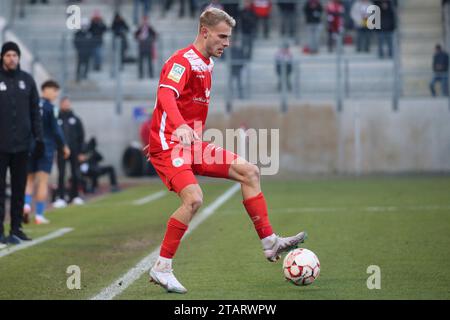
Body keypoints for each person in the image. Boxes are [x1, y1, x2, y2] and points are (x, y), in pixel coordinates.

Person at [146, 8, 306, 294]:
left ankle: (269, 242)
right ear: (204, 32)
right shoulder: (182, 61)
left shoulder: (207, 63)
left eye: (229, 37)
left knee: (250, 172)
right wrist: (177, 128)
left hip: (189, 144)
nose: (227, 42)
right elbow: (166, 94)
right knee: (194, 199)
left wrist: (184, 131)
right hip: (171, 144)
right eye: (222, 36)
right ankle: (162, 267)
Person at [0, 42, 44, 244]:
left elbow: (35, 112)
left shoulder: (27, 81)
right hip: (1, 145)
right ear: (2, 57)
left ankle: (16, 229)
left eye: (15, 55)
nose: (12, 58)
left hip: (22, 146)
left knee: (19, 189)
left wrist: (39, 137)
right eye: (8, 55)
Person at [24, 81, 70, 225]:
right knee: (43, 181)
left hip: (29, 146)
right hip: (46, 147)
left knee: (29, 180)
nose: (56, 94)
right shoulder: (51, 108)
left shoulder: (30, 105)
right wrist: (63, 146)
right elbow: (56, 129)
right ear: (46, 90)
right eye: (54, 90)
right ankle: (38, 215)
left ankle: (25, 206)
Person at [54, 97, 86, 208]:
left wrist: (81, 152)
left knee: (76, 173)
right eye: (64, 103)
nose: (66, 105)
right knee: (61, 174)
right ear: (61, 104)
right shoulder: (56, 119)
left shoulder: (76, 119)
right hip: (61, 150)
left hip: (75, 151)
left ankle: (75, 196)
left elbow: (81, 137)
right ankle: (61, 197)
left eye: (68, 103)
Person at [74, 18, 94, 82]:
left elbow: (92, 42)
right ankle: (78, 76)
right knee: (79, 64)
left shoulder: (90, 33)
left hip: (88, 51)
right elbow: (75, 42)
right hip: (81, 51)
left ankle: (85, 75)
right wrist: (79, 49)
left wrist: (90, 49)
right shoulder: (78, 33)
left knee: (87, 63)